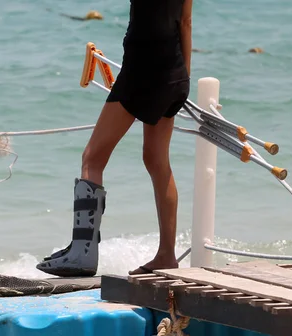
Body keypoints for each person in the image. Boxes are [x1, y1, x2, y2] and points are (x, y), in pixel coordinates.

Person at [36, 0, 193, 278]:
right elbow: (185, 22)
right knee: (157, 161)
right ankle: (167, 255)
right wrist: (184, 77)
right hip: (174, 72)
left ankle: (82, 253)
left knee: (92, 157)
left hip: (141, 73)